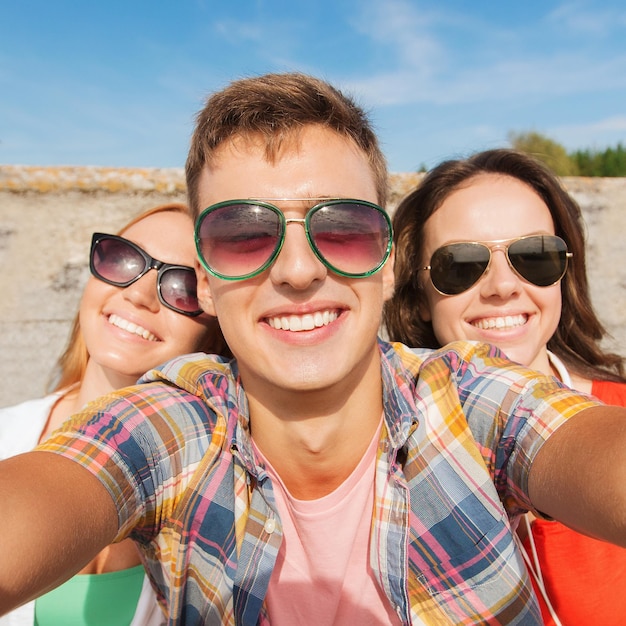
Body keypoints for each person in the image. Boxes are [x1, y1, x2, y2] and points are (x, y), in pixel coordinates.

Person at [1, 72, 626, 625]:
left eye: (341, 229)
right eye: (244, 235)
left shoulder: (468, 400)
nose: (298, 269)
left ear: (384, 267)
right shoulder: (172, 426)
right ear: (207, 284)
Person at [384, 147, 626, 625]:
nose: (502, 286)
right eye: (460, 264)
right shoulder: (380, 462)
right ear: (420, 294)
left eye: (535, 256)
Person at [0, 202, 228, 626]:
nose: (138, 293)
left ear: (213, 332)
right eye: (122, 258)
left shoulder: (224, 491)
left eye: (182, 287)